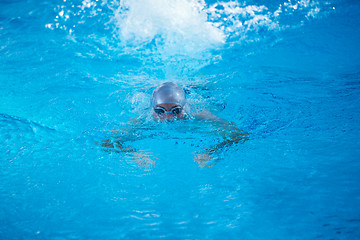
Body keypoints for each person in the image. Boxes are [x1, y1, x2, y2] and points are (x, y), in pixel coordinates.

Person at [101, 82, 248, 167]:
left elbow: (240, 135)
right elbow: (106, 141)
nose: (168, 117)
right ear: (152, 109)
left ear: (184, 107)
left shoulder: (199, 115)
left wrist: (212, 152)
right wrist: (132, 154)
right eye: (160, 111)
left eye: (176, 110)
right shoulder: (142, 120)